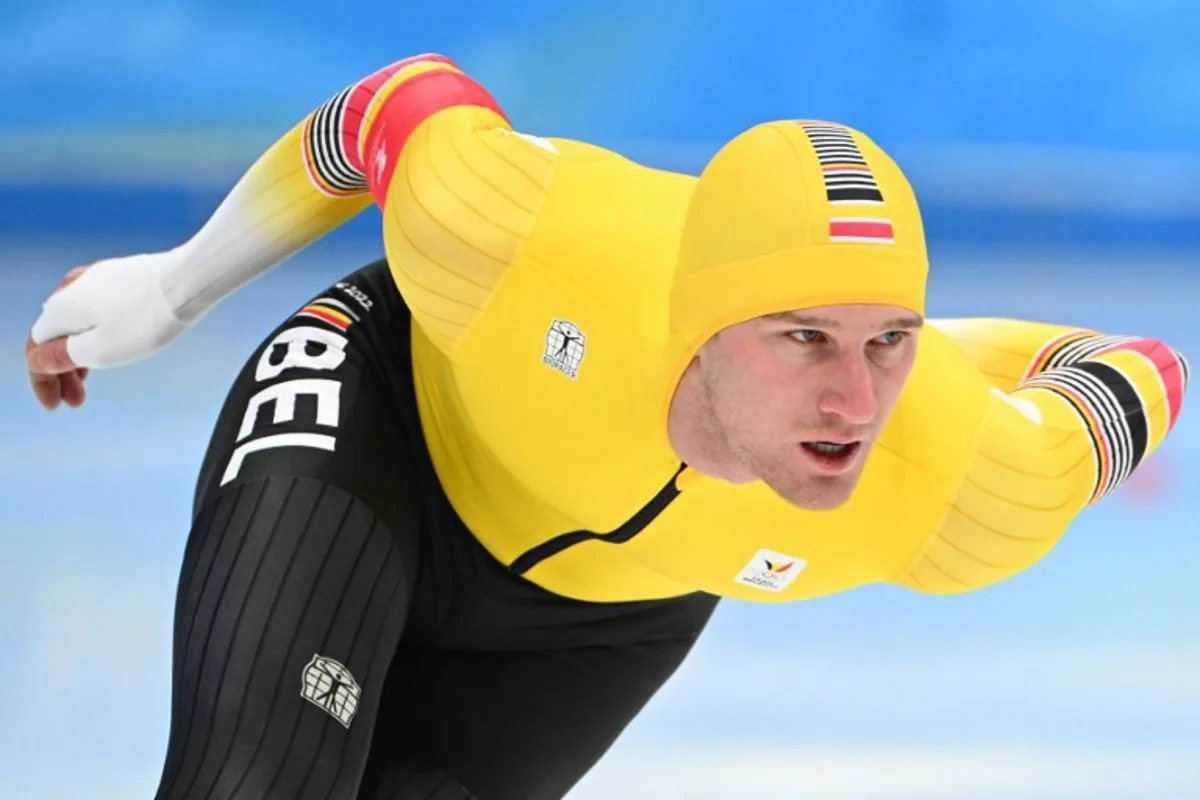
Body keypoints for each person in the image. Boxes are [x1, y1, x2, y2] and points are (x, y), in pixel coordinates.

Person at [25, 53, 1189, 799]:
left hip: (594, 621)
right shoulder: (527, 239)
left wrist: (904, 345)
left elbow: (1139, 371)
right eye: (802, 340)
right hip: (386, 423)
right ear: (699, 321)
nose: (854, 403)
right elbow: (397, 104)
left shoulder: (961, 480)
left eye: (891, 339)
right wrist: (171, 288)